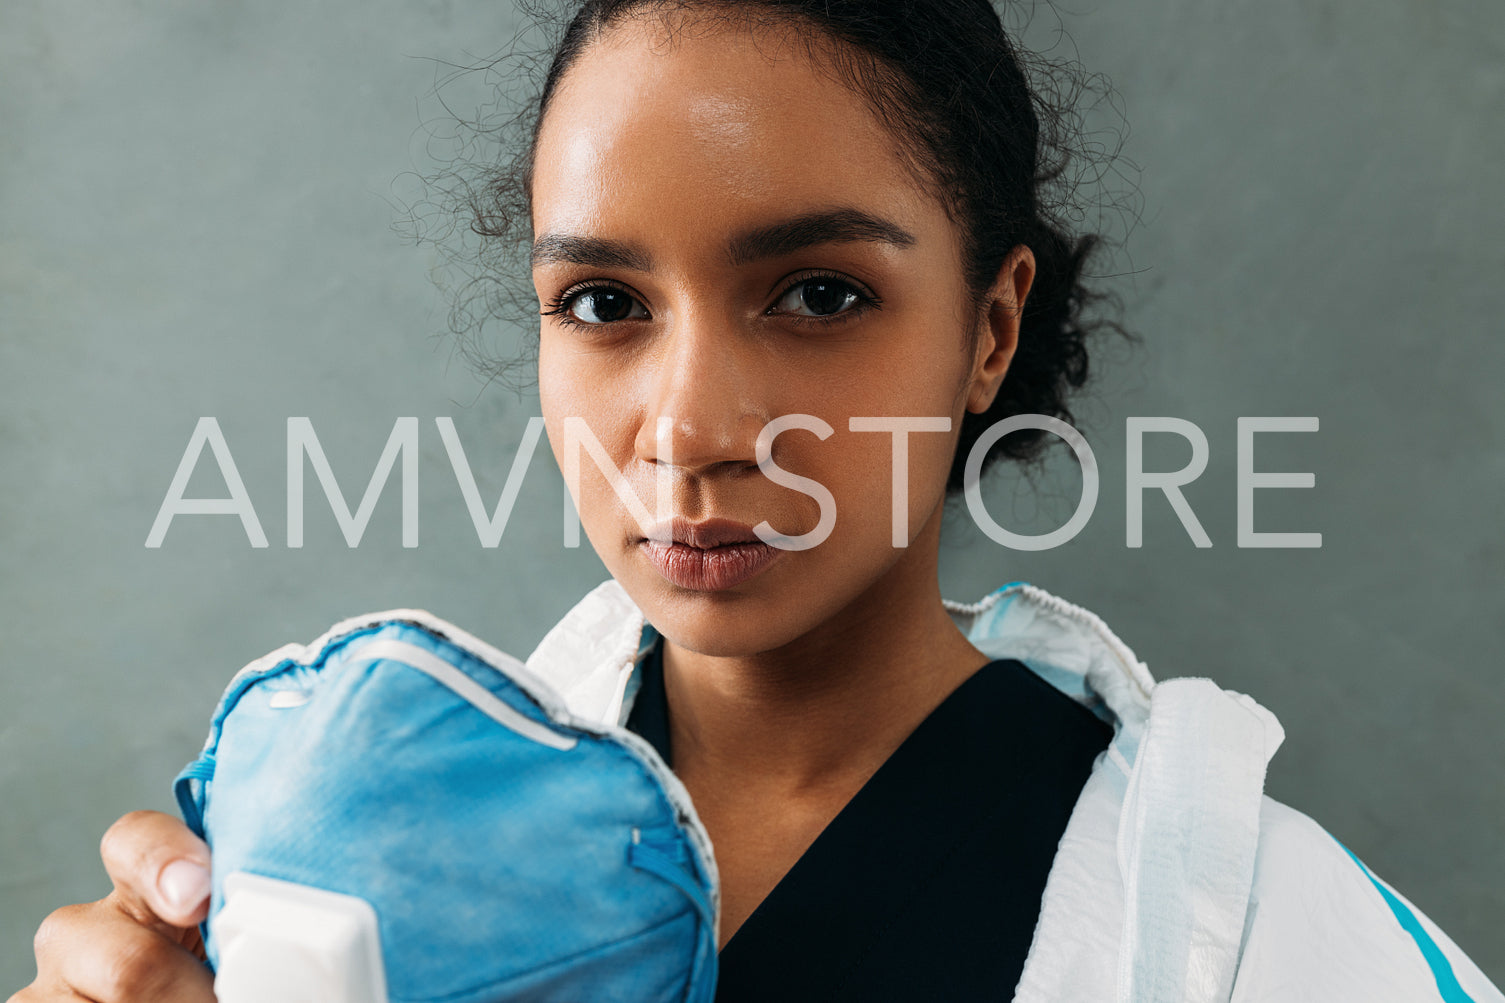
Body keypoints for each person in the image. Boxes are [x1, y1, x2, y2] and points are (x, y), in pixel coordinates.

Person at [12, 1, 1503, 1000]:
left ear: (989, 328)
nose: (689, 427)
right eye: (601, 301)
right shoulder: (346, 867)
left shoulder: (1261, 939)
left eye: (816, 292)